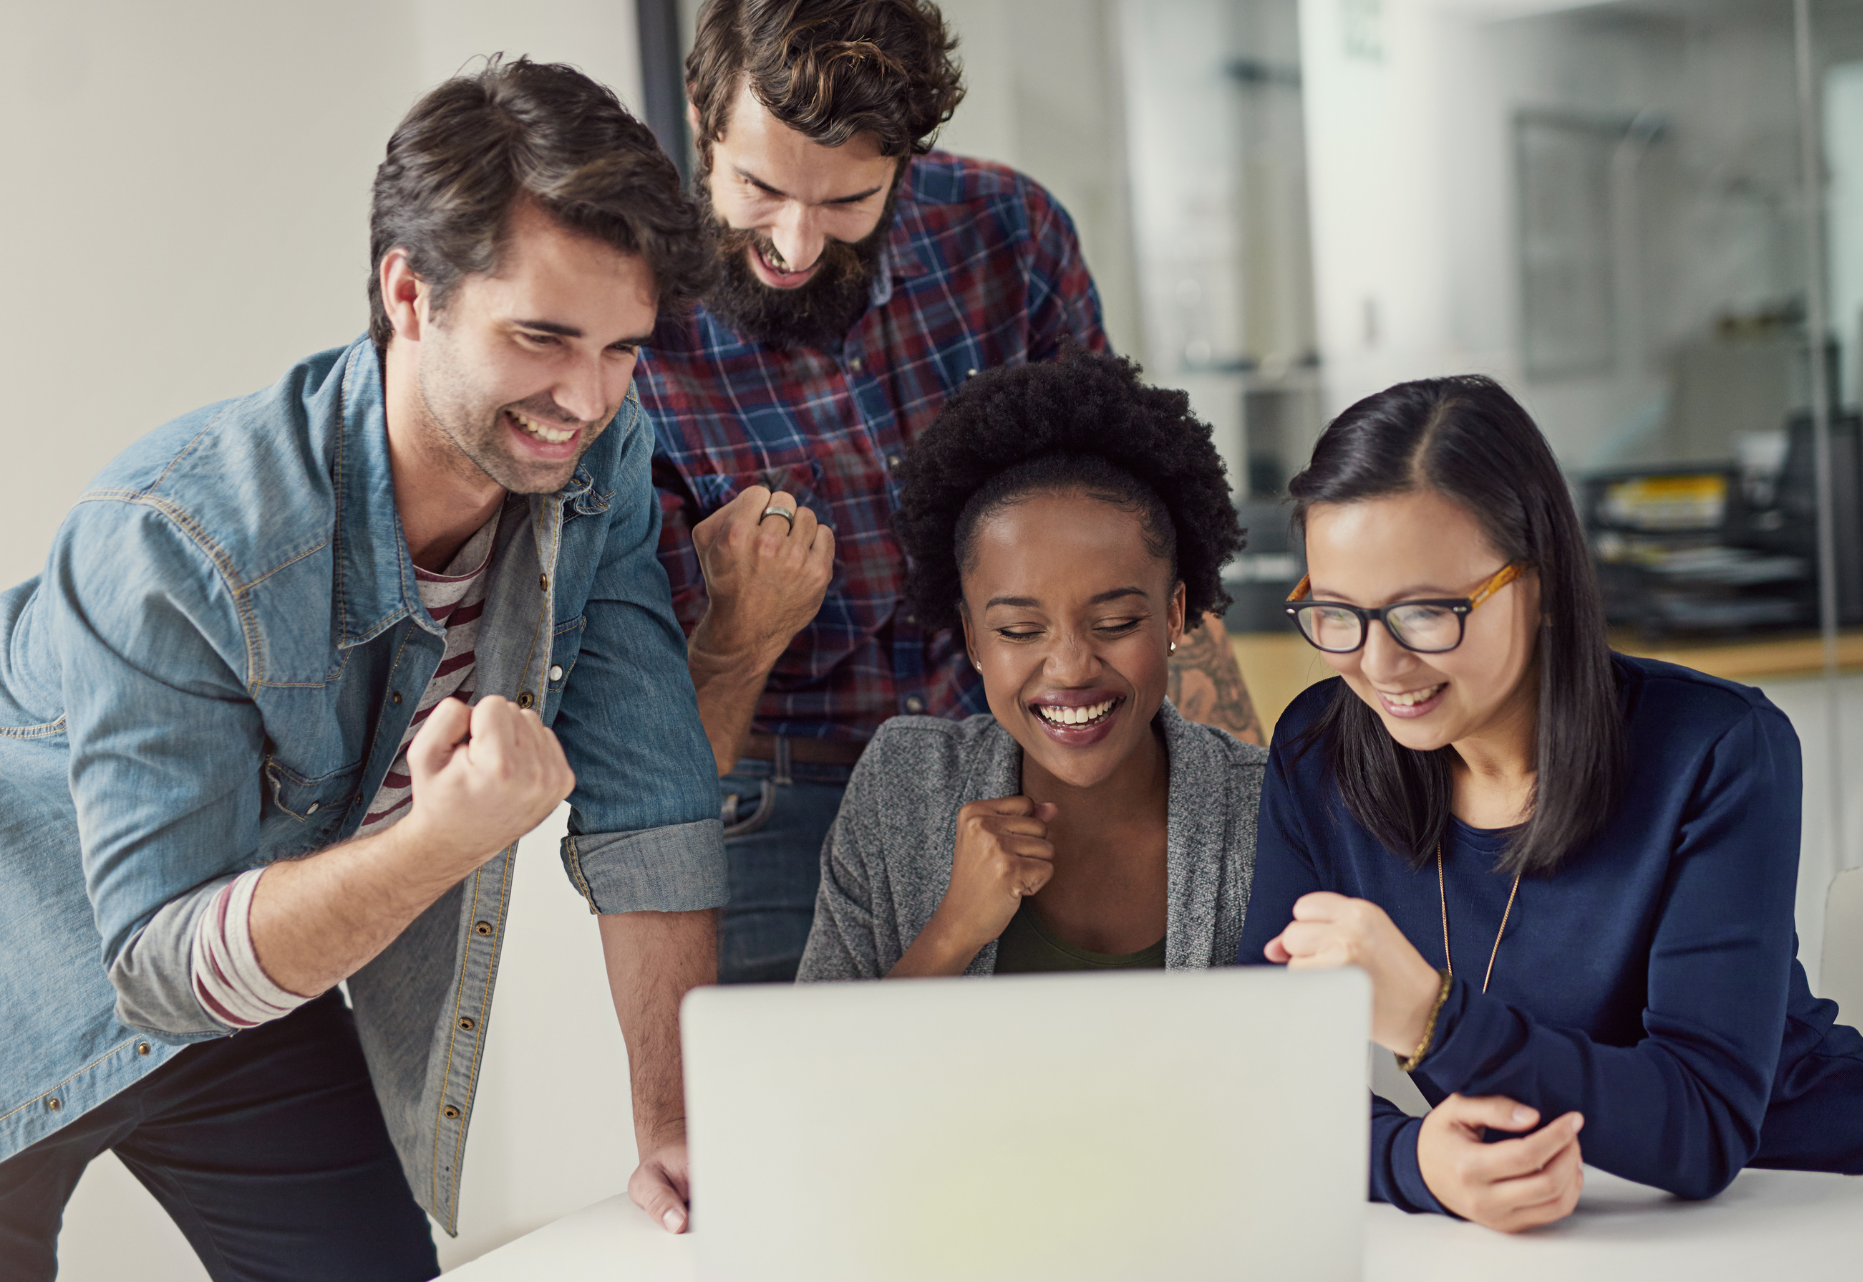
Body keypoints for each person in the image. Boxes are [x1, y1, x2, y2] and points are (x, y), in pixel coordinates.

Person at [0, 59, 723, 1277]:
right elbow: (167, 959)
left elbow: (649, 796)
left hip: (245, 980)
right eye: (542, 338)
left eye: (622, 349)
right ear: (409, 293)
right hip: (39, 970)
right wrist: (442, 840)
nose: (585, 397)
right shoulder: (178, 536)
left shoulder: (594, 461)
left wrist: (674, 1124)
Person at [638, 0, 1263, 985]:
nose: (797, 244)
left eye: (847, 202)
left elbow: (1133, 520)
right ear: (702, 114)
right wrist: (739, 632)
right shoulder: (633, 331)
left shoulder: (1005, 234)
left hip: (1028, 771)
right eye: (759, 188)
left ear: (907, 157)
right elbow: (651, 761)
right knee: (796, 1123)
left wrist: (1231, 806)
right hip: (774, 798)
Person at [1239, 375, 1863, 1233]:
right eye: (1338, 613)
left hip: (1829, 1205)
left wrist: (1431, 1020)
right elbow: (1262, 1068)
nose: (1379, 665)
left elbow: (1704, 1123)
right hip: (1577, 1237)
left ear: (1543, 583)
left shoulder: (1717, 750)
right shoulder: (1319, 752)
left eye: (1424, 612)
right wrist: (1414, 1162)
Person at [797, 348, 1265, 981]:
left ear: (1176, 614)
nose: (1071, 668)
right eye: (1020, 629)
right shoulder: (902, 788)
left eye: (1116, 623)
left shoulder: (1265, 805)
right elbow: (822, 1074)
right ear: (972, 638)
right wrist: (952, 932)